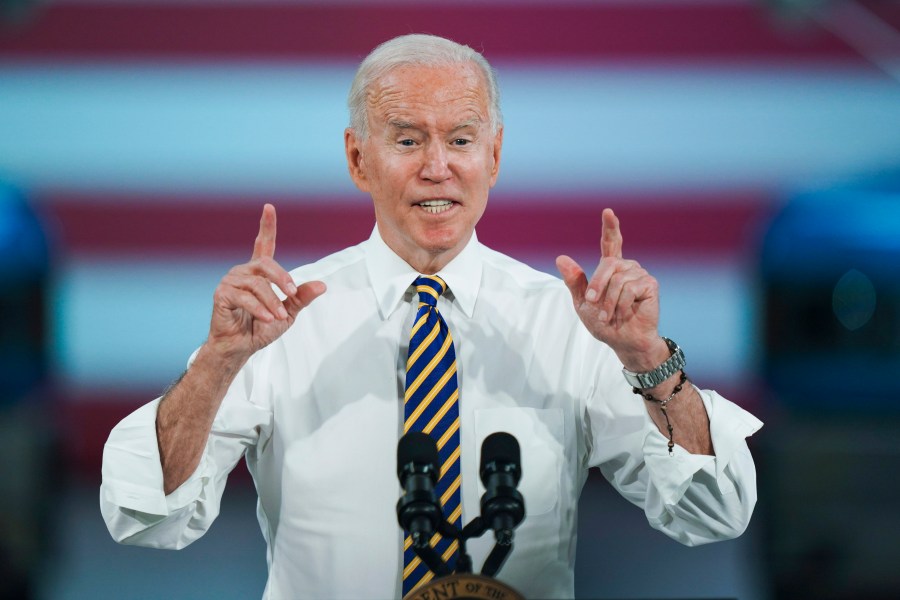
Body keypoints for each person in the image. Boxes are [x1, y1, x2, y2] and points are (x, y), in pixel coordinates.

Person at [100, 33, 762, 599]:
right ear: (359, 158)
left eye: (461, 139)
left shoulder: (570, 323)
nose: (437, 167)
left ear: (494, 157)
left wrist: (648, 360)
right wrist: (218, 362)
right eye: (408, 139)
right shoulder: (276, 319)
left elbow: (713, 513)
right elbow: (146, 515)